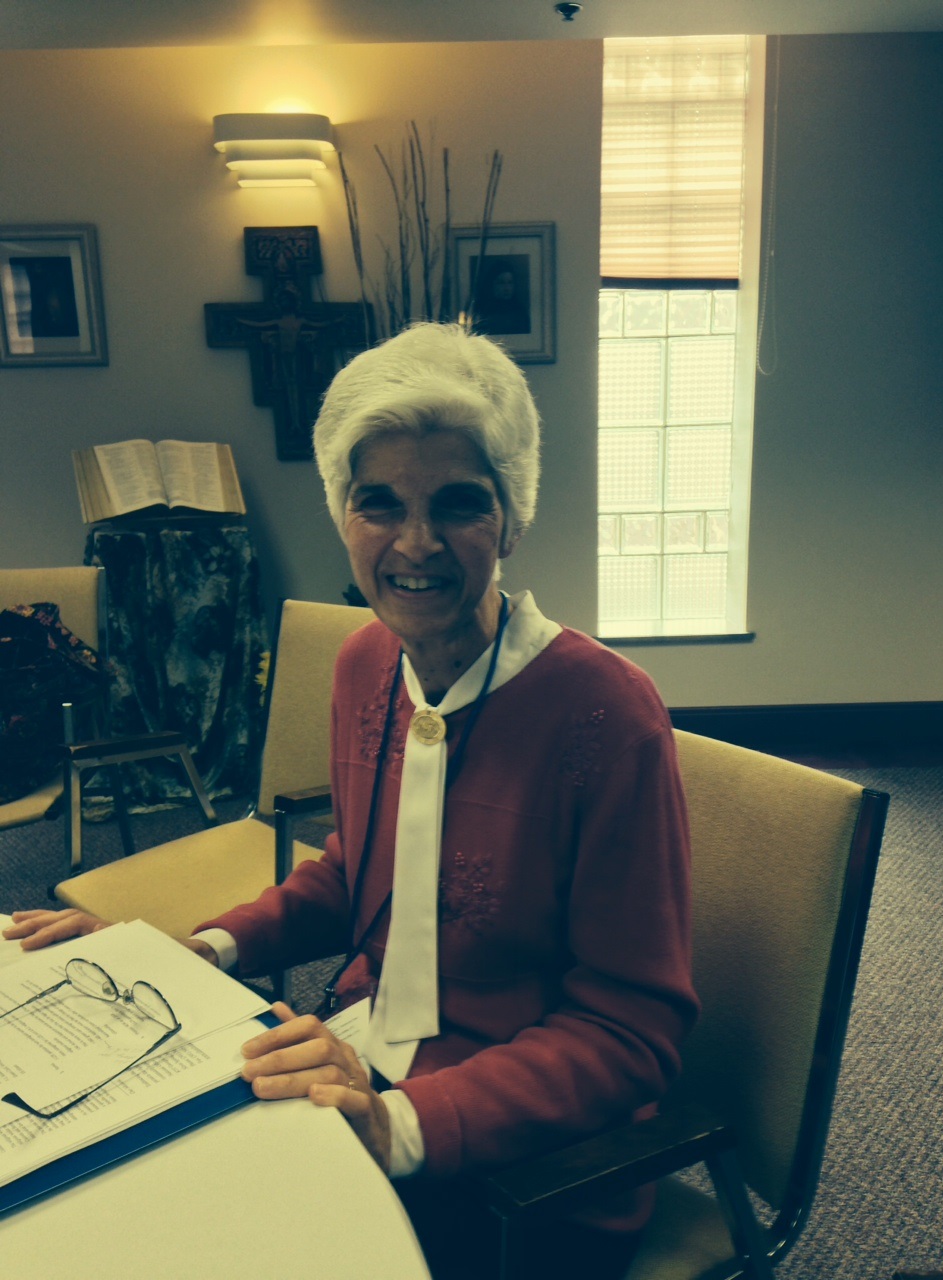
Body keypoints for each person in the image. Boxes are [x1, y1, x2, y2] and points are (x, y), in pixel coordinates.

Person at [4, 322, 697, 1279]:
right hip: (362, 1062)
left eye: (459, 503)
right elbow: (356, 875)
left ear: (513, 520)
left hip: (523, 1168)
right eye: (380, 503)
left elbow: (631, 1033)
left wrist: (397, 1124)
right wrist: (191, 951)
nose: (415, 543)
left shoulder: (607, 714)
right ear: (342, 515)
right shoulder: (365, 663)